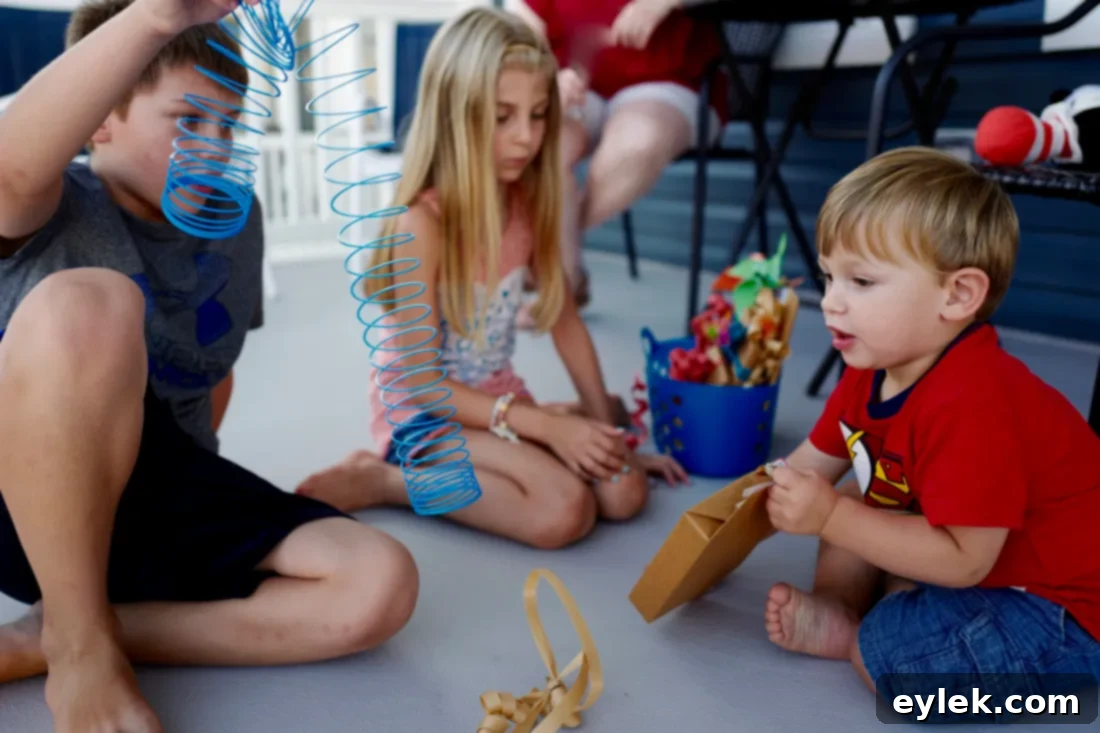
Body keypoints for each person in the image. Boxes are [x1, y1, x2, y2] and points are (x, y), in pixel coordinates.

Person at [0, 1, 418, 731]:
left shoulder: (236, 220)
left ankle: (73, 628)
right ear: (101, 117)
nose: (216, 146)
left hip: (154, 488)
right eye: (189, 121)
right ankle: (81, 640)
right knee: (93, 304)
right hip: (29, 498)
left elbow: (211, 374)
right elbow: (9, 170)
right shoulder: (60, 205)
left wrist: (203, 507)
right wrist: (154, 20)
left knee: (379, 582)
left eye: (228, 125)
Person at [295, 7, 687, 550]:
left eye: (539, 113)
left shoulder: (529, 199)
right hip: (425, 414)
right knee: (562, 512)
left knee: (624, 492)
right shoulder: (421, 223)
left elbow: (565, 321)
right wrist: (546, 428)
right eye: (502, 116)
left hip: (496, 399)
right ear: (455, 114)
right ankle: (387, 480)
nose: (526, 138)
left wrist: (610, 436)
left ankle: (551, 424)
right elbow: (422, 385)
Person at [757, 147, 1100, 720]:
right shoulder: (871, 367)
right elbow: (804, 468)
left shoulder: (974, 401)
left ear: (958, 295)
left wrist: (830, 520)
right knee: (848, 494)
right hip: (975, 553)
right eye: (829, 276)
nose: (832, 300)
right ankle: (842, 604)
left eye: (861, 280)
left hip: (1057, 609)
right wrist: (753, 506)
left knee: (890, 664)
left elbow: (968, 562)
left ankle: (856, 638)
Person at [503, 0, 728, 320]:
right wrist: (543, 75)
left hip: (668, 81)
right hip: (577, 86)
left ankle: (549, 260)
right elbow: (521, 30)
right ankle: (563, 282)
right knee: (542, 147)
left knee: (637, 144)